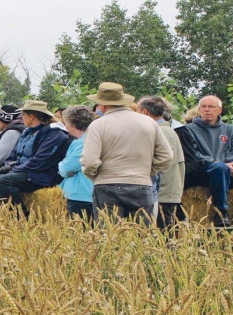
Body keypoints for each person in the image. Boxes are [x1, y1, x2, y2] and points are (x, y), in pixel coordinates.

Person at [81, 82, 173, 225]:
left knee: (109, 236)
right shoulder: (149, 122)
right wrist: (146, 172)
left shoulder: (99, 125)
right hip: (141, 185)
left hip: (107, 186)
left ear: (102, 105)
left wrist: (96, 176)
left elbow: (90, 161)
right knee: (140, 236)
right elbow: (167, 155)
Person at [0, 100, 69, 218]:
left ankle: (21, 218)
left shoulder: (54, 133)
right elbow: (13, 154)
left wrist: (16, 170)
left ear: (31, 117)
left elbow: (41, 160)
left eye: (23, 115)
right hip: (23, 171)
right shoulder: (27, 131)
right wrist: (9, 167)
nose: (21, 118)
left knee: (4, 181)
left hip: (41, 174)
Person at [183, 95, 233, 227]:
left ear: (219, 110)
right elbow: (193, 154)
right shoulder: (189, 129)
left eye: (211, 107)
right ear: (199, 109)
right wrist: (220, 164)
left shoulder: (230, 129)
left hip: (225, 171)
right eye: (203, 106)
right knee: (219, 167)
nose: (207, 109)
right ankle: (221, 213)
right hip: (200, 172)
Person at [137, 96, 185, 229]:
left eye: (137, 111)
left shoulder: (157, 131)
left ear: (145, 112)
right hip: (169, 192)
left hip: (162, 193)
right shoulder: (170, 130)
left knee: (161, 234)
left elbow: (155, 161)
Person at [58, 105, 95, 220]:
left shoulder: (84, 142)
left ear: (73, 125)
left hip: (81, 194)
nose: (64, 125)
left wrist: (62, 166)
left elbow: (66, 168)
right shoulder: (84, 140)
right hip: (83, 193)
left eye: (66, 122)